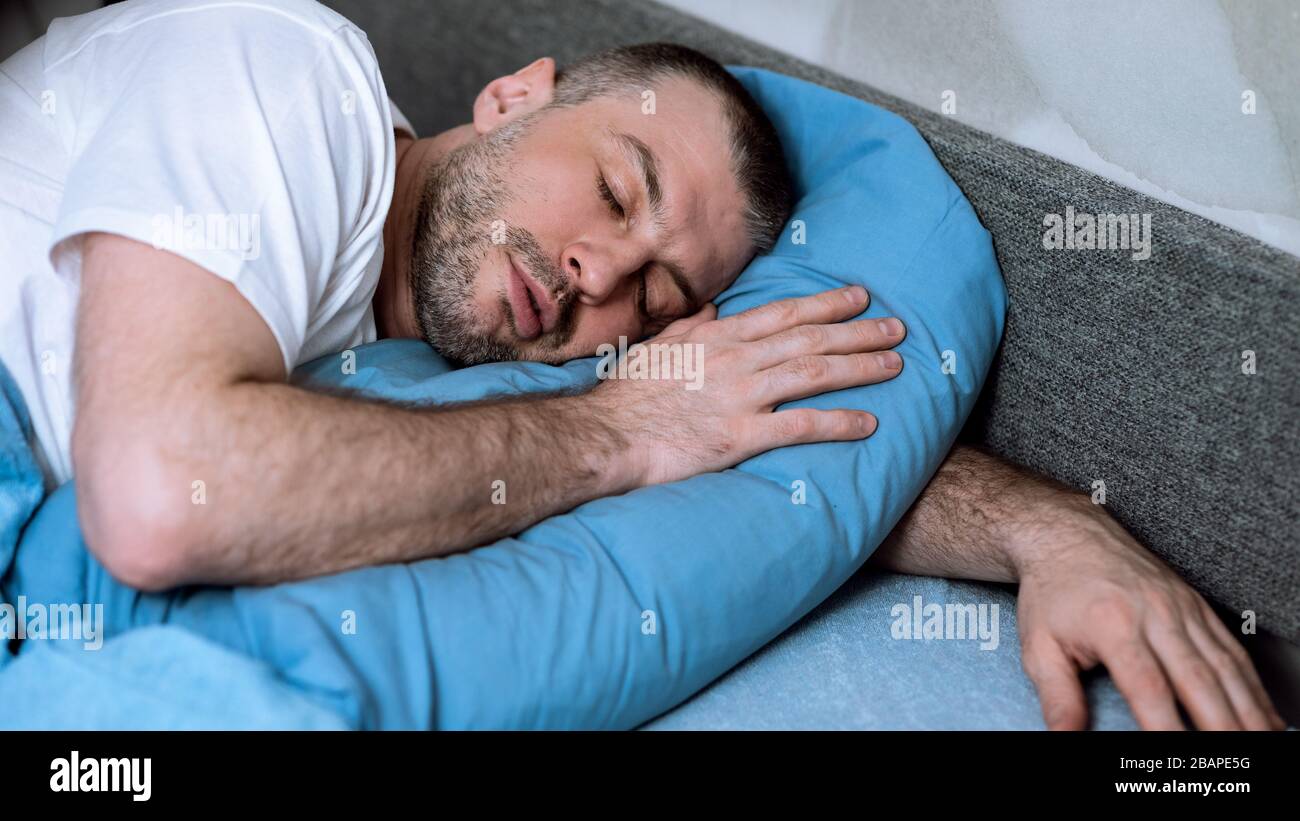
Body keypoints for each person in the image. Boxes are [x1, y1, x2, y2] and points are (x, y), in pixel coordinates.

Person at [0, 0, 1280, 730]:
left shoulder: (422, 363)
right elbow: (164, 496)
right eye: (617, 186)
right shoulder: (285, 78)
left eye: (661, 295)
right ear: (515, 96)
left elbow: (744, 422)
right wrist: (618, 428)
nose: (600, 275)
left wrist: (1051, 532)